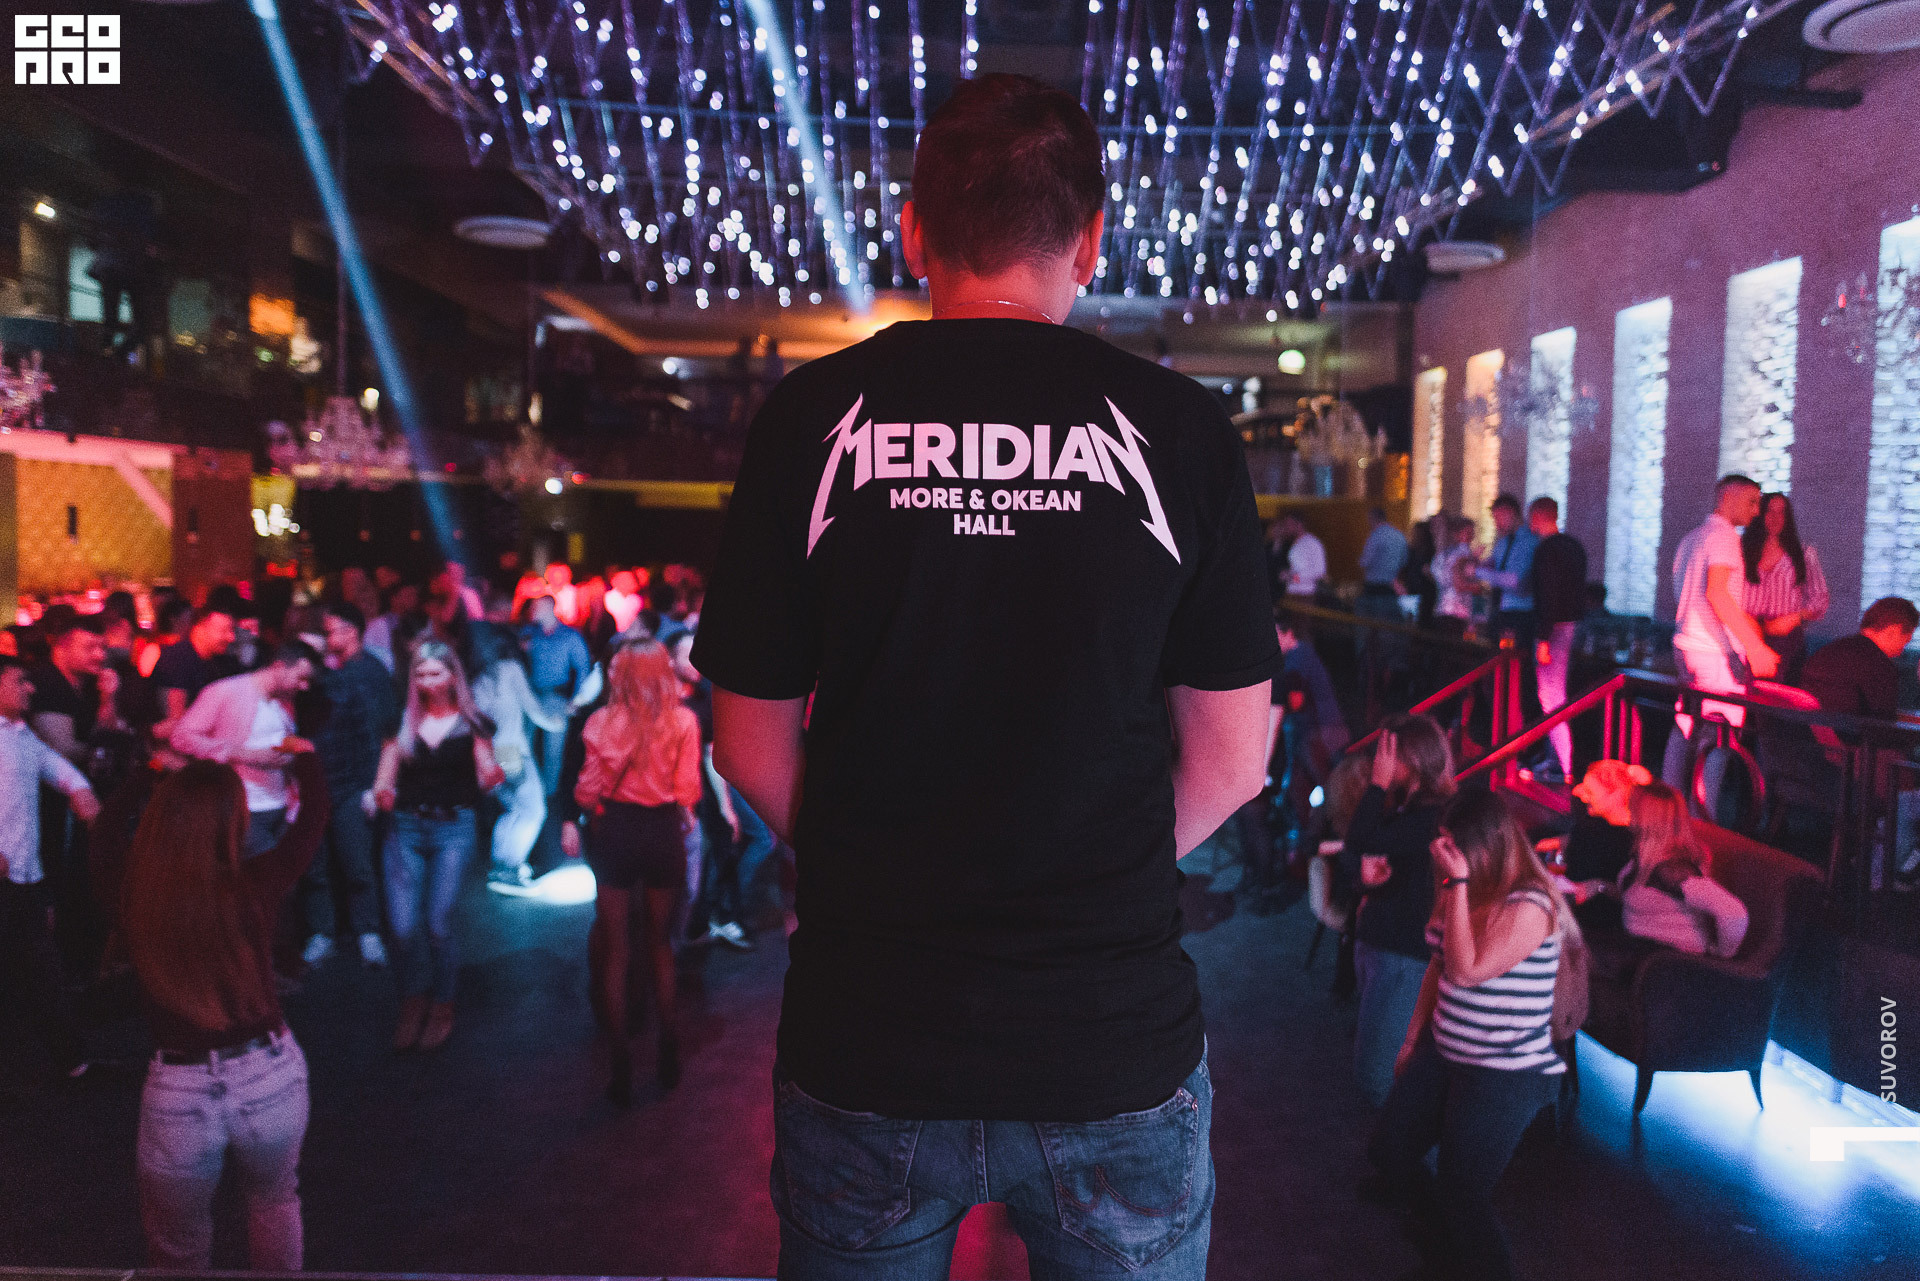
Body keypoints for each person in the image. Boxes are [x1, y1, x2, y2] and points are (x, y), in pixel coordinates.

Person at [695, 74, 1275, 1279]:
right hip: (1107, 1041)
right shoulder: (1182, 432)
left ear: (913, 231)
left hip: (871, 1034)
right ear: (1092, 240)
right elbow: (1234, 762)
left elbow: (746, 743)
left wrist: (873, 868)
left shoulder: (810, 419)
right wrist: (1086, 872)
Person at [117, 752, 328, 1270]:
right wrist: (305, 760)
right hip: (267, 1070)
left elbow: (102, 836)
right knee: (275, 1201)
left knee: (178, 1246)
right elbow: (312, 822)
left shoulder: (135, 891)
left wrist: (146, 771)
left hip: (179, 1086)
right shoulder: (255, 883)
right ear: (233, 821)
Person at [1367, 789, 1575, 1281]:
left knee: (1462, 1189)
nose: (1441, 852)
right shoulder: (1460, 887)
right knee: (1390, 1151)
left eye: (1452, 845)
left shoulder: (1531, 904)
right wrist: (1412, 1040)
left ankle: (1478, 1265)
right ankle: (1443, 1242)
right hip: (1444, 1052)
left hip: (1503, 1071)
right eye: (1442, 841)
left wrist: (1457, 884)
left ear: (1487, 847)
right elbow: (1438, 966)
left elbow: (1466, 970)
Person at [573, 642, 703, 1104]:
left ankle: (620, 1064)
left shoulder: (599, 722)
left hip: (617, 832)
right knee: (659, 945)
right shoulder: (683, 721)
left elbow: (586, 793)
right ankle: (668, 1048)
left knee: (616, 950)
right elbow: (687, 789)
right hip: (662, 831)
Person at [373, 641, 503, 1051]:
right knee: (401, 928)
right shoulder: (401, 722)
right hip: (406, 827)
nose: (427, 681)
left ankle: (443, 1004)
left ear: (452, 675)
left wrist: (494, 774)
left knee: (438, 924)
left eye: (435, 673)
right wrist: (381, 794)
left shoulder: (473, 723)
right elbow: (384, 778)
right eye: (420, 674)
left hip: (453, 827)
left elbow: (486, 773)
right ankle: (413, 1000)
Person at [1340, 713, 1457, 1107]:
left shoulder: (1432, 817)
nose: (1382, 762)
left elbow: (1359, 841)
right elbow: (1374, 865)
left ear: (1416, 760)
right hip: (1383, 943)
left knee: (1375, 1075)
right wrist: (1370, 882)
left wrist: (1376, 785)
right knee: (1377, 1066)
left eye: (1391, 755)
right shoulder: (1408, 810)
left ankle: (1403, 1141)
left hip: (1402, 955)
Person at [0, 656, 101, 1079]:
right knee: (38, 971)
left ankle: (72, 1062)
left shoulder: (21, 735)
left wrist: (80, 789)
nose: (31, 688)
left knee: (43, 970)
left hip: (23, 875)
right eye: (20, 681)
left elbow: (53, 765)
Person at [1661, 475, 1779, 798]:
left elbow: (1688, 595)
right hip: (1714, 651)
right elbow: (1717, 594)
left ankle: (1670, 807)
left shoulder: (1691, 538)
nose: (1756, 511)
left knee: (1686, 725)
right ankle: (1705, 818)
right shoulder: (1724, 537)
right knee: (1720, 736)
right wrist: (1754, 647)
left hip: (1686, 645)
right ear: (1728, 497)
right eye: (1752, 502)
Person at [301, 604, 397, 967]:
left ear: (352, 631)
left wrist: (375, 784)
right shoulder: (342, 670)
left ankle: (365, 932)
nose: (327, 639)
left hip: (354, 781)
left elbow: (382, 733)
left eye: (331, 631)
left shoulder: (366, 672)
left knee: (357, 864)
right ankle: (329, 932)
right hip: (327, 781)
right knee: (320, 865)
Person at [170, 642, 320, 856]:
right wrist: (243, 754)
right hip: (241, 810)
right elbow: (182, 736)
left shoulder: (286, 701)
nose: (304, 686)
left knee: (284, 873)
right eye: (301, 677)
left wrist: (292, 756)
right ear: (279, 666)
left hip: (280, 808)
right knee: (269, 870)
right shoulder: (225, 691)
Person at [468, 624, 566, 893]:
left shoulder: (475, 679)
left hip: (490, 753)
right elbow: (531, 706)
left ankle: (501, 864)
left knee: (513, 809)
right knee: (533, 809)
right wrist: (555, 723)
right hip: (511, 751)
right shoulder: (509, 669)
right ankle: (509, 867)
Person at [1613, 782, 1749, 958]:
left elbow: (1734, 914)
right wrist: (1597, 886)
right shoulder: (1648, 856)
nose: (1627, 810)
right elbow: (1641, 900)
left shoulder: (1672, 869)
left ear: (1645, 818)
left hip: (1669, 962)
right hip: (1642, 951)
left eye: (1631, 806)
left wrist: (1722, 956)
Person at [1528, 497, 1588, 780]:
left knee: (1551, 697)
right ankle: (1554, 758)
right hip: (1574, 625)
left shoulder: (1546, 550)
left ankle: (1562, 766)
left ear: (1538, 516)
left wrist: (1543, 638)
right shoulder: (1574, 546)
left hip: (1554, 630)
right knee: (1558, 695)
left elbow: (1547, 595)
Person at [1741, 492, 1829, 683]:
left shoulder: (1803, 553)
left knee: (1778, 693)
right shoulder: (1742, 551)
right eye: (1770, 511)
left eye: (1781, 512)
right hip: (1747, 633)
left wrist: (1794, 618)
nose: (1775, 518)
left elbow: (1820, 598)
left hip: (1786, 637)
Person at [520, 594, 593, 806]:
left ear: (550, 607)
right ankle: (528, 787)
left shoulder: (569, 636)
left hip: (556, 696)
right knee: (525, 743)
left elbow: (583, 667)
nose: (533, 610)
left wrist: (577, 699)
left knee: (553, 748)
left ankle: (549, 794)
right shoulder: (528, 633)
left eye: (538, 607)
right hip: (531, 695)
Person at [151, 605, 237, 739]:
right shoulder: (178, 657)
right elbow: (175, 719)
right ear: (199, 629)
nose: (231, 637)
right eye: (223, 630)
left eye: (232, 630)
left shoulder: (218, 662)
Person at [1355, 506, 1410, 699]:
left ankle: (1369, 685)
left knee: (1368, 639)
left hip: (1374, 592)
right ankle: (1388, 686)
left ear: (1373, 518)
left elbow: (1364, 562)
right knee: (1390, 639)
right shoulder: (1399, 536)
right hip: (1391, 592)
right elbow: (1404, 561)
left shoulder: (1375, 536)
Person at [1474, 494, 1538, 652]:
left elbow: (1514, 581)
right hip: (1500, 610)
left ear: (1510, 513)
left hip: (1520, 612)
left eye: (1498, 518)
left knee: (1512, 657)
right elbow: (1493, 566)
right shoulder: (1502, 543)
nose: (1497, 525)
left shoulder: (1529, 542)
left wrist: (1478, 571)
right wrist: (1478, 562)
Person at [1430, 514, 1479, 638]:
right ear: (1456, 534)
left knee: (1446, 646)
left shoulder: (1441, 556)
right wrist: (1478, 588)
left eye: (1472, 532)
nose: (1471, 536)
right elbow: (1459, 584)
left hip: (1443, 609)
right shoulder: (1464, 553)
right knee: (1459, 646)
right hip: (1459, 612)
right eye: (1468, 533)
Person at [1278, 510, 1327, 603]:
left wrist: (1293, 577)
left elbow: (1319, 572)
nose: (1286, 527)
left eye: (1289, 524)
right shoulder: (1292, 543)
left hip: (1305, 595)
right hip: (1290, 592)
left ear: (1299, 524)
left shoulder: (1313, 543)